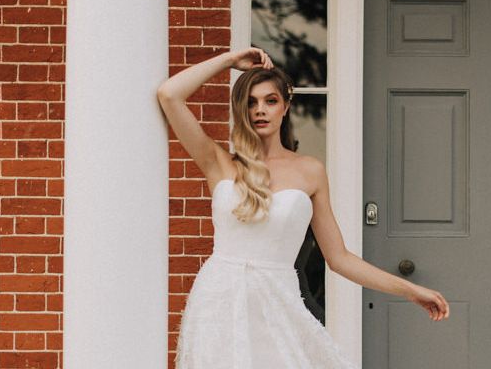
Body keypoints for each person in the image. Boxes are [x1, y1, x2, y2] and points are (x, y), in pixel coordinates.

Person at [157, 46, 450, 368]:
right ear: (240, 109)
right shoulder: (219, 162)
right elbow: (169, 95)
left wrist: (408, 290)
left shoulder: (310, 170)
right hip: (219, 301)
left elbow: (338, 258)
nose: (260, 110)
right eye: (251, 102)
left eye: (270, 101)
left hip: (278, 300)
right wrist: (229, 60)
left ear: (286, 106)